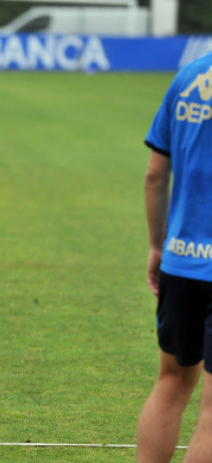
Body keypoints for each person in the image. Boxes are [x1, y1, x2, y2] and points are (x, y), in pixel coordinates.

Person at [137, 52, 212, 462]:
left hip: (180, 259)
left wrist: (156, 245)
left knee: (171, 382)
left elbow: (154, 175)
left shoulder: (188, 77)